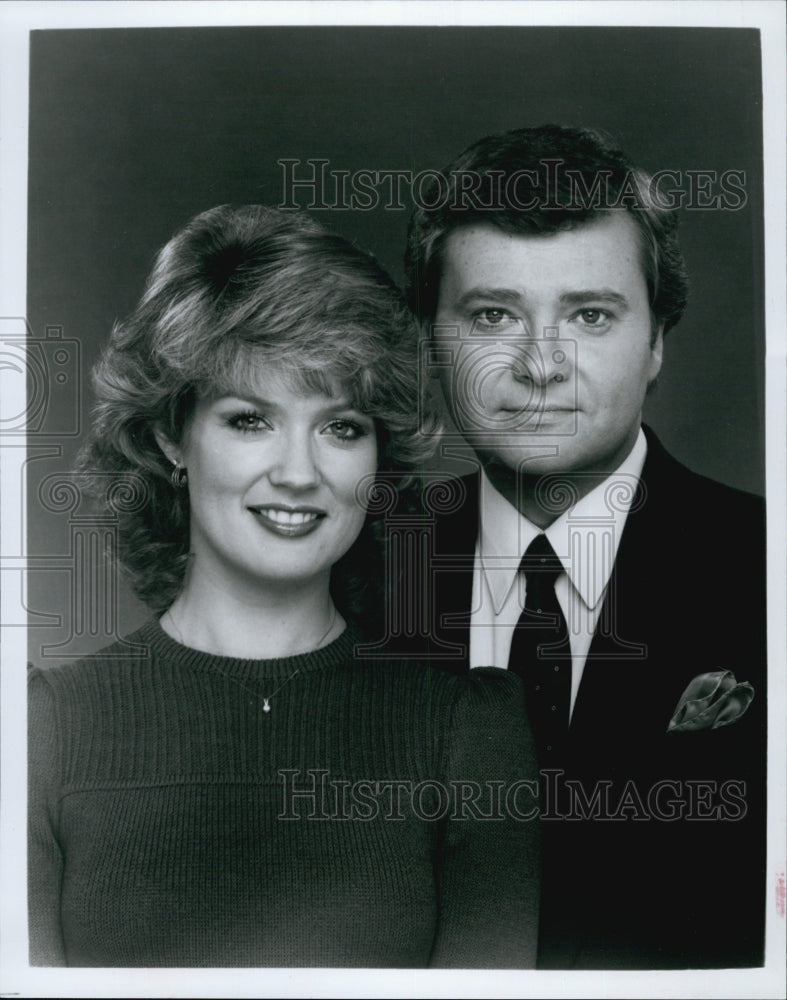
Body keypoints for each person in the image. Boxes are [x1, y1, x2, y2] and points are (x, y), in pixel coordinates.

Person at [27, 205, 541, 968]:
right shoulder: (42, 731)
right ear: (172, 435)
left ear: (378, 453)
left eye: (341, 427)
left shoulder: (466, 732)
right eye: (250, 420)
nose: (299, 473)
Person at [398, 125, 766, 969]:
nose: (538, 365)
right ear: (430, 340)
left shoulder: (766, 566)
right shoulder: (351, 577)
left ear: (657, 342)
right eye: (491, 315)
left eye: (589, 315)